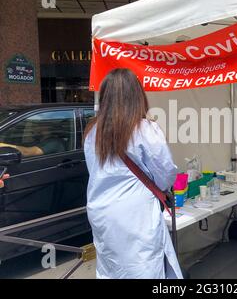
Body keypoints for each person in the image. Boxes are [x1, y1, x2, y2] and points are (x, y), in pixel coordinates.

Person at [83, 68, 182, 279]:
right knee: (143, 268)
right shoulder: (144, 129)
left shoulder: (92, 131)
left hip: (101, 211)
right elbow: (165, 174)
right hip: (136, 215)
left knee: (112, 269)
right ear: (136, 95)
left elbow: (94, 172)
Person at [0, 126, 65, 157]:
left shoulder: (53, 143)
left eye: (37, 126)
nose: (32, 129)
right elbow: (24, 146)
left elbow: (27, 152)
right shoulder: (38, 141)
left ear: (46, 131)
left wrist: (2, 145)